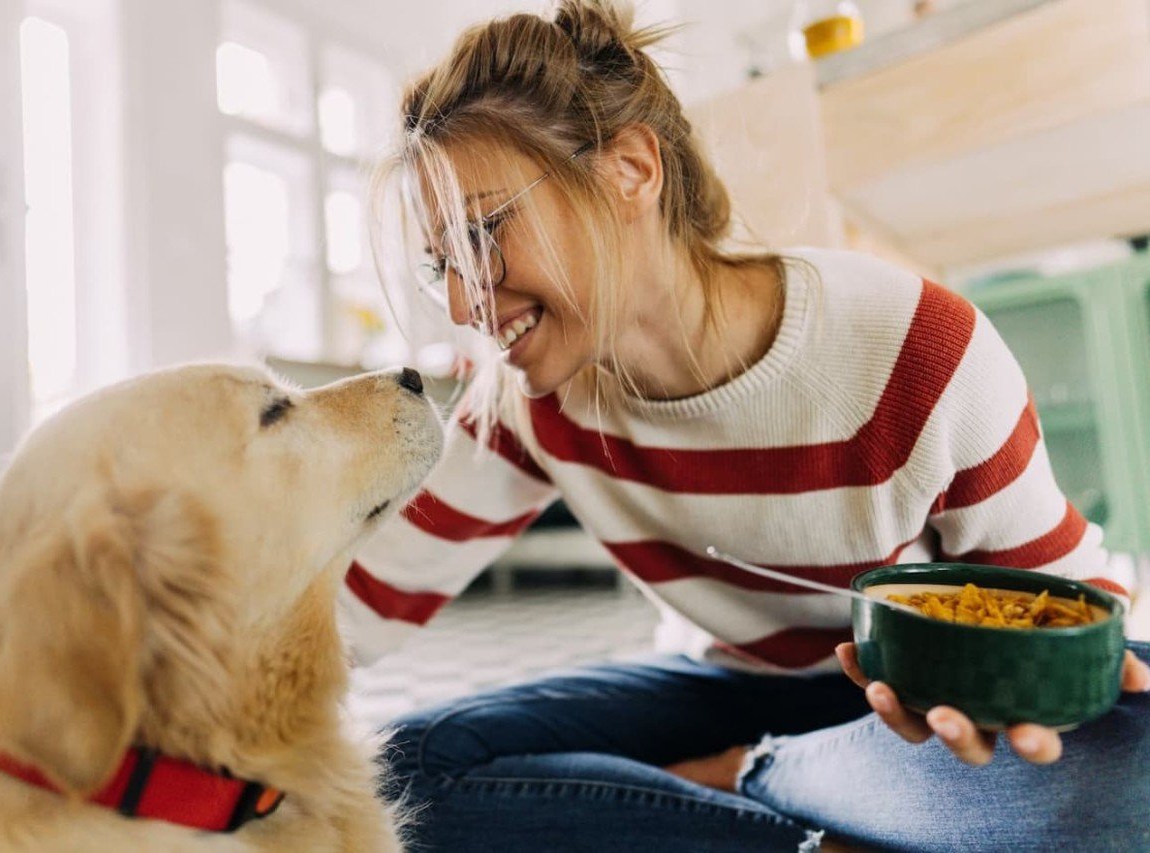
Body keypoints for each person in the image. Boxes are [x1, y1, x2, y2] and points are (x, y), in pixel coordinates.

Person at [340, 2, 1150, 849]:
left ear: (629, 169)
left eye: (483, 233)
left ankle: (744, 786)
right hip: (720, 688)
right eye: (443, 266)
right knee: (403, 773)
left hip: (899, 694)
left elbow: (1075, 620)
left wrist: (1050, 693)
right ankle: (806, 806)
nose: (466, 304)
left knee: (1127, 755)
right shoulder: (527, 399)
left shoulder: (916, 347)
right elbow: (352, 613)